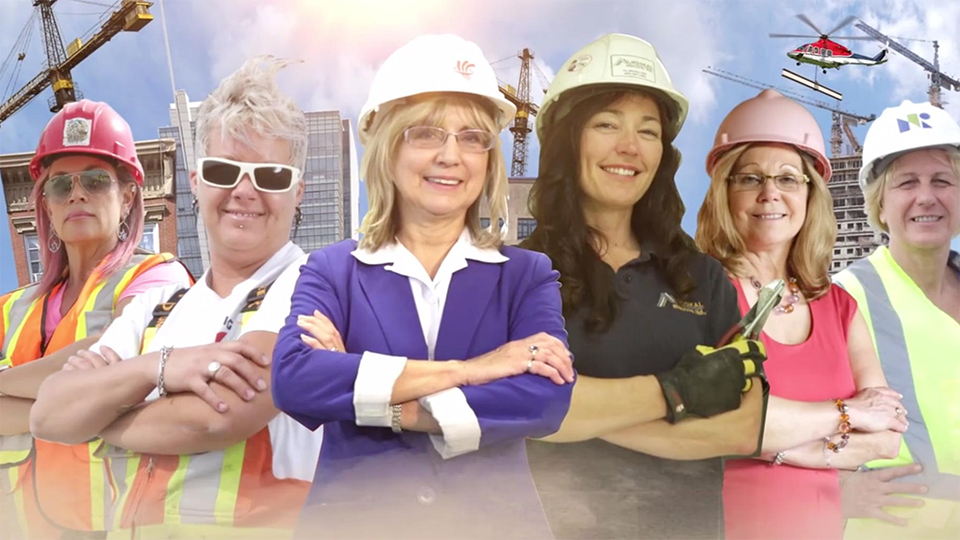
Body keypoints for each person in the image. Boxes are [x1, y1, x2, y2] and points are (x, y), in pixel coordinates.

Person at [269, 34, 574, 539]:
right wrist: (474, 370)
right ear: (388, 148)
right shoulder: (332, 270)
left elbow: (542, 399)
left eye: (473, 137)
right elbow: (296, 380)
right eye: (427, 134)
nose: (452, 155)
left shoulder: (527, 275)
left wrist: (381, 403)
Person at [30, 57, 322, 540]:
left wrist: (100, 414)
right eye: (224, 170)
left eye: (271, 176)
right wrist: (158, 367)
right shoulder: (158, 306)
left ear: (297, 194)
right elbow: (49, 414)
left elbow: (216, 418)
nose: (244, 191)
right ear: (196, 183)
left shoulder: (313, 284)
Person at [520, 34, 769, 540]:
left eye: (648, 131)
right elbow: (517, 406)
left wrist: (574, 416)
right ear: (569, 140)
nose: (629, 148)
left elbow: (744, 428)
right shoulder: (516, 274)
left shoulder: (703, 278)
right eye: (607, 124)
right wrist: (679, 392)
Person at [696, 89, 906, 540]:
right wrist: (846, 415)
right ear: (723, 192)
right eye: (750, 178)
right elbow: (712, 418)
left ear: (811, 194)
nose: (770, 192)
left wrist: (778, 445)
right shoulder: (699, 291)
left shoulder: (840, 307)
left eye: (789, 179)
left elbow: (888, 435)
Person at [0, 99, 191, 540]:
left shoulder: (157, 275)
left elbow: (115, 356)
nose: (77, 193)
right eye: (60, 184)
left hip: (113, 525)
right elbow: (98, 379)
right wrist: (75, 403)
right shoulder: (12, 307)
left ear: (127, 198)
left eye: (95, 180)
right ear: (45, 206)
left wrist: (7, 383)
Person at [835, 99, 960, 540]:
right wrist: (834, 491)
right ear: (880, 207)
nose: (927, 196)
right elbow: (773, 425)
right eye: (907, 182)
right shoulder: (841, 298)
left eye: (942, 180)